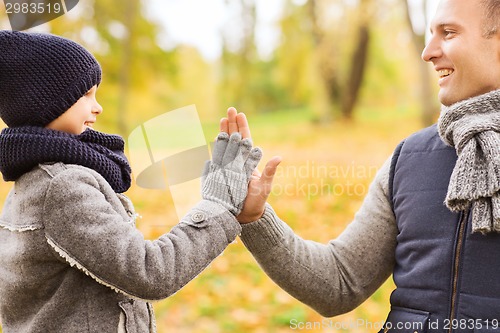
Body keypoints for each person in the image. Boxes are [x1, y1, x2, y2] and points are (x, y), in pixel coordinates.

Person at [225, 0, 500, 331]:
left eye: (450, 33)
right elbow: (338, 283)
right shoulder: (408, 159)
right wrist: (256, 218)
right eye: (431, 34)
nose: (427, 52)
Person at [0, 30, 262, 333]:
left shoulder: (29, 181)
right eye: (85, 95)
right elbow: (150, 272)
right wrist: (219, 205)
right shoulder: (63, 187)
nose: (97, 107)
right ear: (44, 101)